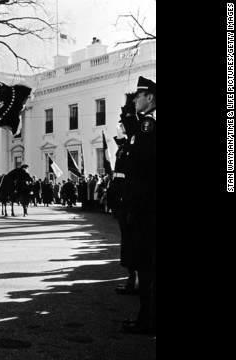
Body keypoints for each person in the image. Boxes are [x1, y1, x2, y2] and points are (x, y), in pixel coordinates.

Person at [122, 76, 156, 335]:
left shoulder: (148, 126)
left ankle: (148, 320)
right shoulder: (143, 125)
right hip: (144, 206)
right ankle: (146, 317)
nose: (135, 99)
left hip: (146, 208)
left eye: (138, 96)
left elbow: (143, 173)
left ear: (150, 98)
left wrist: (134, 207)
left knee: (147, 265)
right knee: (145, 265)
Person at [108, 92, 139, 296]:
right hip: (121, 195)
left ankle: (134, 282)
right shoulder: (127, 143)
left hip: (128, 196)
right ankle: (131, 280)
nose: (121, 124)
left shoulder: (136, 141)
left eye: (124, 120)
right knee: (127, 240)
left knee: (132, 240)